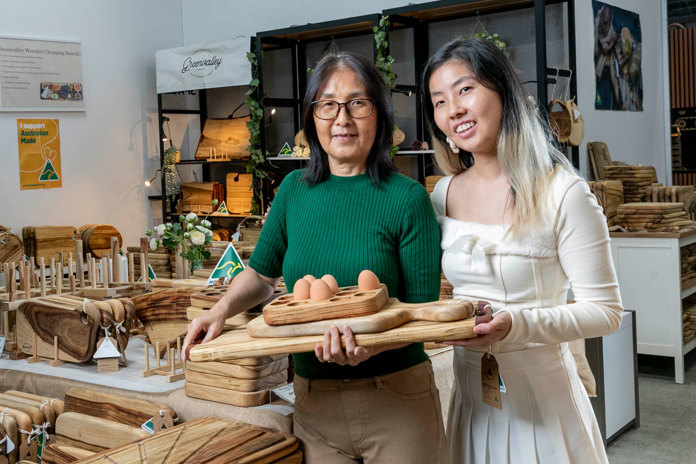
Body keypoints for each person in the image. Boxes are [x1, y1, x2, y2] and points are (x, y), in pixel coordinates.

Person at [183, 52, 448, 463]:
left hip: (396, 399)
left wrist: (371, 347)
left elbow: (421, 312)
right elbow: (261, 276)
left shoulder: (408, 199)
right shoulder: (292, 191)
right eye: (327, 104)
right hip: (314, 402)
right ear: (312, 117)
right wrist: (219, 310)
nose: (341, 118)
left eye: (357, 103)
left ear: (379, 114)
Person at [422, 37, 623, 463]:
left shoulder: (562, 192)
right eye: (439, 101)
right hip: (472, 407)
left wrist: (517, 324)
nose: (453, 110)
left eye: (465, 89)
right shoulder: (441, 195)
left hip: (545, 411)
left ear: (504, 92)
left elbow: (606, 312)